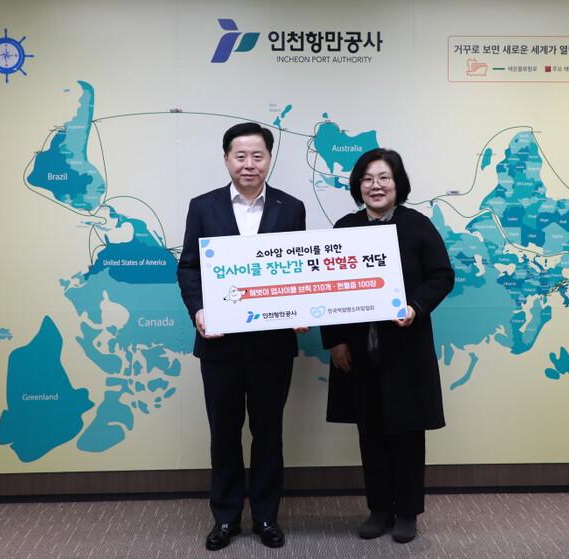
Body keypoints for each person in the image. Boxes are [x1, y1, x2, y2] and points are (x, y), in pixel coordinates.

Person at [177, 122, 306, 551]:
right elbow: (189, 267)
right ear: (227, 159)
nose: (249, 164)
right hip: (220, 344)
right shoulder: (203, 206)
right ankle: (226, 518)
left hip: (272, 344)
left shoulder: (291, 208)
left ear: (269, 159)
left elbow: (297, 267)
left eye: (258, 156)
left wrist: (301, 308)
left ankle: (266, 517)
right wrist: (199, 310)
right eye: (240, 156)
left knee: (269, 432)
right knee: (224, 433)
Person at [321, 148, 454, 543]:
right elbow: (328, 288)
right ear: (357, 186)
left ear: (398, 184)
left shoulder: (417, 226)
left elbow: (442, 275)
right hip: (359, 353)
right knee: (371, 433)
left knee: (407, 433)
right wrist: (335, 341)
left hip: (405, 350)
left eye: (384, 178)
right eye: (367, 179)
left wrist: (415, 307)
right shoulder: (344, 229)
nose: (375, 186)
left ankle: (407, 513)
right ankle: (379, 510)